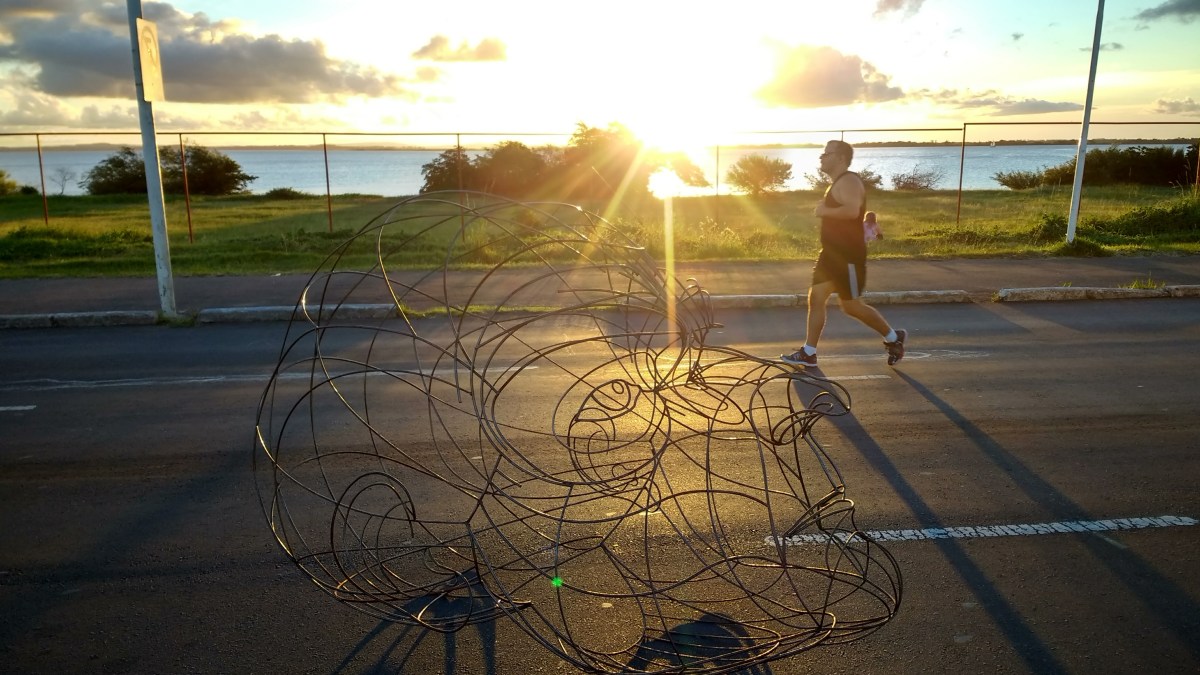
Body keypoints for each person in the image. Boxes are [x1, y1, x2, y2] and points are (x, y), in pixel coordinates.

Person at [782, 140, 906, 368]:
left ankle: (893, 337)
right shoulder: (838, 183)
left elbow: (851, 211)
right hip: (830, 255)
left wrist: (823, 210)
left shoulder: (849, 181)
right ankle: (809, 352)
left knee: (851, 305)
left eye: (826, 153)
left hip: (848, 256)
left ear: (840, 158)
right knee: (816, 298)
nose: (821, 157)